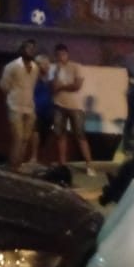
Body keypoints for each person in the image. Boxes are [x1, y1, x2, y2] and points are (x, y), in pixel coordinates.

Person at [52, 43, 96, 175]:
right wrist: (57, 77)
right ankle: (62, 165)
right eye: (58, 55)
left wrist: (61, 86)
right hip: (58, 105)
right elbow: (52, 87)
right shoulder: (55, 69)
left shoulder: (76, 66)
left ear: (67, 54)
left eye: (63, 54)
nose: (61, 57)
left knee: (80, 135)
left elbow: (77, 86)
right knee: (60, 135)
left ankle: (89, 165)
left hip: (76, 107)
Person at [0, 39, 40, 170]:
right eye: (28, 48)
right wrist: (14, 94)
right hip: (15, 106)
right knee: (18, 137)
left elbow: (33, 85)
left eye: (33, 48)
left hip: (29, 106)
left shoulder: (35, 68)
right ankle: (13, 166)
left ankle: (18, 165)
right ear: (22, 49)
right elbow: (4, 85)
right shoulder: (12, 66)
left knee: (25, 139)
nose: (31, 51)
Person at [29, 53, 55, 164]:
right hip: (36, 109)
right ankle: (34, 157)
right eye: (44, 64)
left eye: (47, 64)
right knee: (36, 132)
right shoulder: (33, 77)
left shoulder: (50, 79)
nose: (47, 66)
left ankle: (45, 158)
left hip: (48, 110)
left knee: (46, 134)